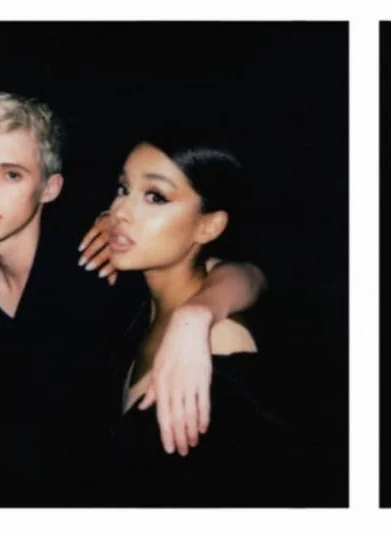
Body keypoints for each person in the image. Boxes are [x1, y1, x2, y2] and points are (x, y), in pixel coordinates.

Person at [0, 87, 266, 505]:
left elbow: (247, 273)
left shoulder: (97, 267)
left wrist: (198, 314)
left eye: (12, 174)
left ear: (51, 187)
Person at [95, 133, 292, 506]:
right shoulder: (132, 303)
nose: (118, 212)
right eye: (123, 189)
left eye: (155, 197)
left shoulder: (222, 354)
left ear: (208, 227)